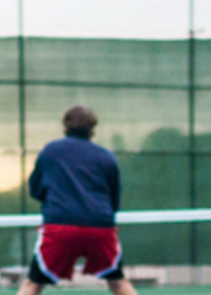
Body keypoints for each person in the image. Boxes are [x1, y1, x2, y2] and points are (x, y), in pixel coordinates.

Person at [18, 106, 137, 295]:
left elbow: (36, 189)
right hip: (100, 228)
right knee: (118, 282)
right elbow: (114, 197)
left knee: (32, 284)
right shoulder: (107, 157)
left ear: (65, 125)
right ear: (93, 128)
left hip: (60, 228)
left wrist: (53, 209)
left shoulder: (50, 151)